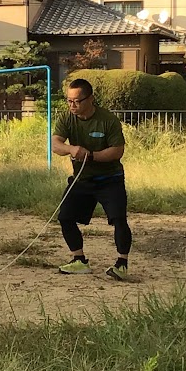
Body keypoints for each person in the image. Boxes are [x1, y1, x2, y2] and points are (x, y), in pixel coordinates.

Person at [52, 78, 132, 280]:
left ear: (91, 99)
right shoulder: (66, 118)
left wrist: (92, 156)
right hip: (82, 179)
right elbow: (55, 143)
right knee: (65, 217)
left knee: (119, 219)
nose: (72, 106)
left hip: (109, 179)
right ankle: (79, 260)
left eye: (77, 101)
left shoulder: (108, 120)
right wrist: (72, 149)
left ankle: (121, 264)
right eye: (69, 101)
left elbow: (117, 151)